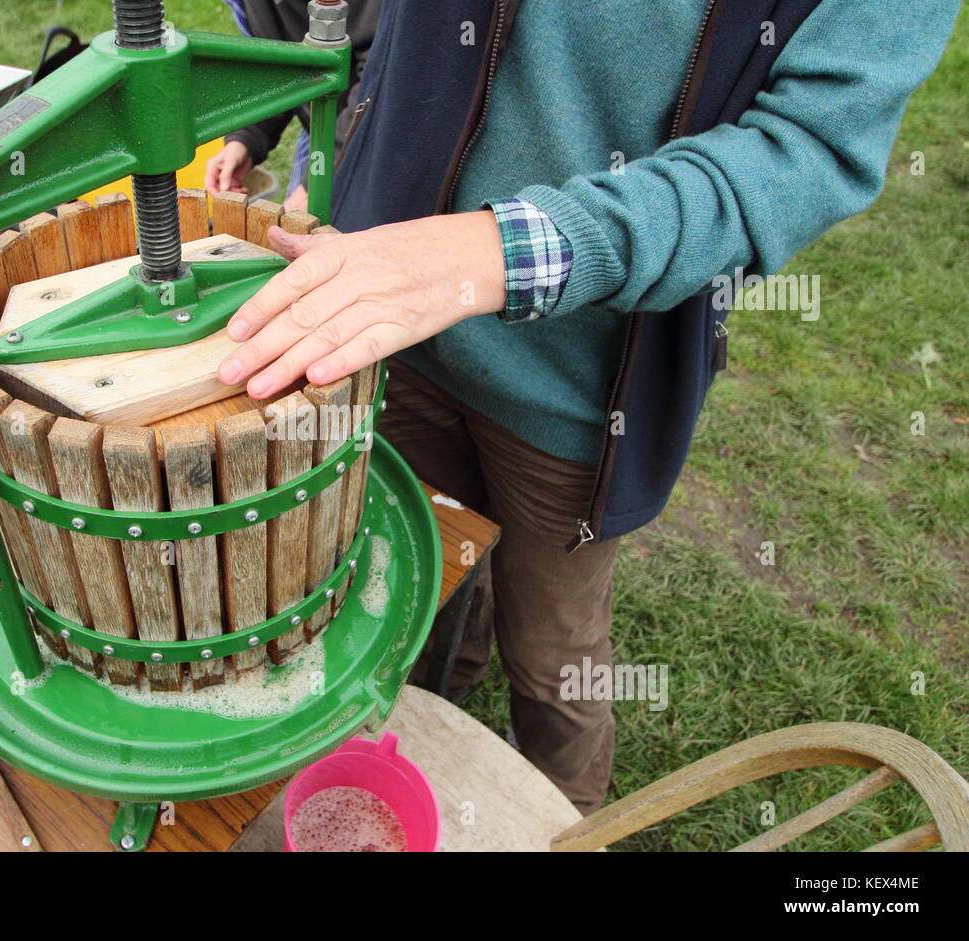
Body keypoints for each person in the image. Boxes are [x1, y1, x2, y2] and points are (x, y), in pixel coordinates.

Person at [216, 0, 959, 811]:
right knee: (419, 576)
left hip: (580, 397)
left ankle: (568, 811)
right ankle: (435, 702)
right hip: (388, 331)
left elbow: (802, 152)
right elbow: (347, 25)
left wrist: (492, 253)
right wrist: (260, 129)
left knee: (551, 655)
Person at [205, 0, 381, 212]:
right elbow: (275, 65)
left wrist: (318, 180)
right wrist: (246, 137)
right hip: (322, 123)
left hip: (382, 139)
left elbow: (381, 79)